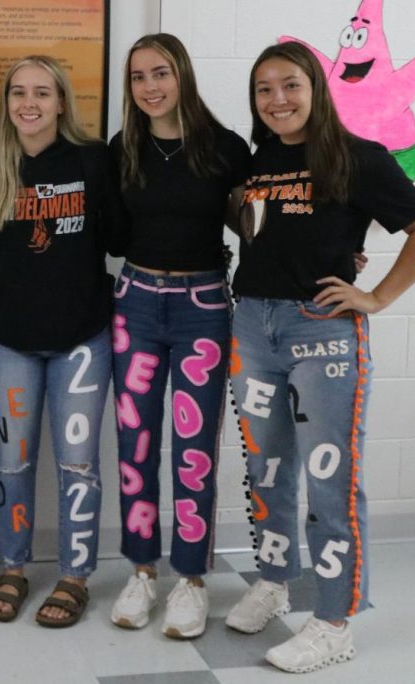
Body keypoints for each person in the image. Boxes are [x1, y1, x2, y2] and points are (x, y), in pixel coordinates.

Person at [226, 41, 415, 673]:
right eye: (264, 89)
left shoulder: (359, 156)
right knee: (267, 470)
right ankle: (273, 579)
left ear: (316, 88)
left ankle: (333, 622)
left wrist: (375, 296)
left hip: (320, 330)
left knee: (330, 479)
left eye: (290, 85)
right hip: (252, 325)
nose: (278, 100)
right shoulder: (259, 158)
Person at [107, 33, 251, 639]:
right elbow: (112, 235)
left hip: (203, 308)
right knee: (134, 447)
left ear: (182, 75)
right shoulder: (124, 147)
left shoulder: (224, 148)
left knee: (193, 452)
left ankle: (191, 580)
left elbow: (256, 224)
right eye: (138, 77)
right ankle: (142, 570)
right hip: (135, 301)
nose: (150, 87)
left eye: (160, 73)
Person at [0, 56, 116, 628]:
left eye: (42, 92)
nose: (28, 103)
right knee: (12, 462)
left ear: (62, 101)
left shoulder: (92, 160)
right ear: (6, 102)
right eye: (18, 93)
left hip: (82, 338)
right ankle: (13, 567)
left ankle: (74, 575)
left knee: (78, 463)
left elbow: (125, 235)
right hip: (8, 339)